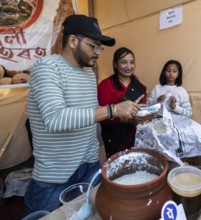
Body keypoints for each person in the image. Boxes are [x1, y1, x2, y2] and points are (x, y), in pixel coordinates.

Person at [24, 15, 142, 215]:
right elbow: (55, 119)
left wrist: (124, 115)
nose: (98, 52)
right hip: (55, 176)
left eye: (100, 47)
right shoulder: (47, 68)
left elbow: (91, 116)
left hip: (89, 166)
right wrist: (114, 109)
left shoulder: (88, 73)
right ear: (72, 41)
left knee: (90, 214)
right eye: (93, 45)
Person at [97, 47, 147, 158]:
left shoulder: (139, 86)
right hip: (115, 137)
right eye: (124, 62)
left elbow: (143, 109)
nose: (129, 67)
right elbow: (102, 116)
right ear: (115, 64)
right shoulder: (105, 85)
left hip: (136, 136)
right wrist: (127, 119)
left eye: (132, 62)